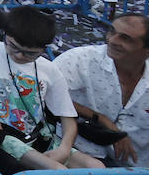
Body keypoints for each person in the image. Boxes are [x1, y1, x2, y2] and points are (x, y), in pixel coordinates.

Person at [0, 5, 102, 170]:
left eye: (29, 53)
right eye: (13, 46)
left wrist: (65, 148)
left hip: (37, 135)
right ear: (5, 35)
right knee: (58, 171)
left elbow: (67, 117)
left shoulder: (49, 70)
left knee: (96, 166)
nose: (19, 56)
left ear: (43, 49)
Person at [52, 13, 149, 165]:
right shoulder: (79, 60)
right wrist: (102, 119)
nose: (112, 40)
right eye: (112, 31)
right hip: (81, 150)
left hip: (136, 164)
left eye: (125, 38)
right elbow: (42, 93)